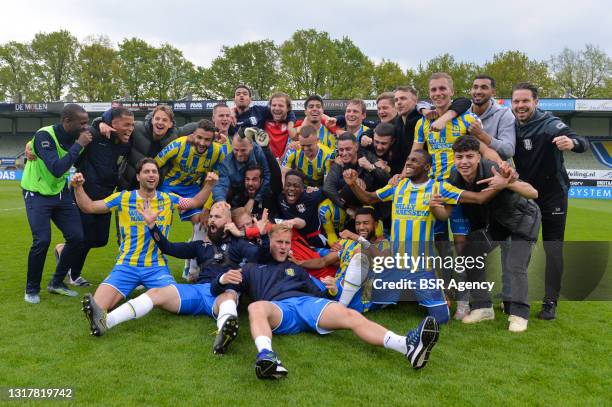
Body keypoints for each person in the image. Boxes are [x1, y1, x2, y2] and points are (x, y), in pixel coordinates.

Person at [211, 223, 441, 379]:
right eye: (279, 242)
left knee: (350, 315)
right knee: (255, 306)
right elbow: (220, 289)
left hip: (308, 305)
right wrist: (222, 278)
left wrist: (330, 292)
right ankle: (266, 356)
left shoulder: (296, 268)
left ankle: (407, 346)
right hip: (279, 310)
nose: (283, 247)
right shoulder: (250, 268)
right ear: (269, 242)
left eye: (287, 243)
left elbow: (318, 294)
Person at [81, 201, 269, 355]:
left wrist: (257, 234)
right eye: (211, 216)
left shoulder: (239, 244)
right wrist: (152, 226)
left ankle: (223, 335)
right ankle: (106, 322)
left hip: (221, 296)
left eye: (217, 217)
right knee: (155, 292)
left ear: (229, 223)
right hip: (198, 292)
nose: (211, 220)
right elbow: (168, 247)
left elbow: (262, 257)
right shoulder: (200, 246)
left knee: (229, 296)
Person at [72, 158, 216, 313]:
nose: (151, 175)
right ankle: (111, 305)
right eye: (146, 171)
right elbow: (89, 207)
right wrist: (78, 187)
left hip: (156, 267)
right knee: (97, 307)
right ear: (138, 176)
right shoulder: (123, 198)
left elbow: (194, 202)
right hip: (127, 264)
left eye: (154, 171)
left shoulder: (168, 199)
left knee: (177, 304)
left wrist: (209, 185)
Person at [511, 82, 588, 320]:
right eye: (516, 101)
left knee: (553, 249)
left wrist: (571, 143)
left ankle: (550, 301)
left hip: (553, 194)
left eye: (526, 101)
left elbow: (581, 141)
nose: (521, 105)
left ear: (536, 102)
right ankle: (515, 297)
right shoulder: (511, 125)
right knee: (520, 247)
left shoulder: (550, 123)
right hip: (525, 194)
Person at [447, 135, 541, 332]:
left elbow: (533, 193)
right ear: (454, 158)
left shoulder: (494, 168)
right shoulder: (454, 177)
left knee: (515, 264)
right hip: (495, 224)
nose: (464, 162)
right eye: (459, 157)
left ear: (478, 157)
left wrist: (507, 183)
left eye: (470, 156)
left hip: (522, 220)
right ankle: (483, 308)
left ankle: (519, 314)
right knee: (470, 255)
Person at [55, 106, 134, 287]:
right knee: (84, 238)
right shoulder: (92, 134)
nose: (130, 128)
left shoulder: (125, 142)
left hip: (105, 197)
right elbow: (64, 139)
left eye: (132, 125)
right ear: (112, 124)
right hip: (83, 194)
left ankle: (63, 250)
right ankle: (74, 275)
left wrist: (100, 122)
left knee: (100, 240)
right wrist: (31, 146)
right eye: (126, 124)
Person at [21, 104, 91, 303]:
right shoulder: (45, 136)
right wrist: (80, 145)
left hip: (59, 193)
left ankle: (57, 282)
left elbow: (102, 124)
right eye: (82, 123)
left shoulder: (79, 134)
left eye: (87, 122)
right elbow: (57, 169)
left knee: (77, 237)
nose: (86, 127)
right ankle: (31, 289)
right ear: (67, 121)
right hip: (36, 193)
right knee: (42, 240)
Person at [321, 133, 389, 244]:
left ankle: (377, 243)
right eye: (341, 150)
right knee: (323, 209)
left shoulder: (367, 156)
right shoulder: (338, 161)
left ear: (356, 147)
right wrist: (346, 208)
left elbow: (386, 179)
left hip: (371, 203)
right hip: (349, 205)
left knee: (369, 213)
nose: (344, 153)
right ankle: (333, 245)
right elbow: (328, 188)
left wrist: (370, 167)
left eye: (348, 149)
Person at [212, 128, 271, 204]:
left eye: (243, 150)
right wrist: (221, 201)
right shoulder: (226, 163)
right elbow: (221, 185)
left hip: (261, 197)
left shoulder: (258, 151)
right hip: (238, 199)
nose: (239, 154)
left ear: (251, 146)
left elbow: (267, 175)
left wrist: (255, 199)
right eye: (236, 150)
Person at [278, 170, 327, 248]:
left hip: (314, 240)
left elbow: (302, 223)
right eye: (288, 185)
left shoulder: (310, 198)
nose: (291, 188)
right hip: (293, 239)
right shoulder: (280, 197)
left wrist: (292, 222)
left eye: (296, 186)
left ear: (302, 188)